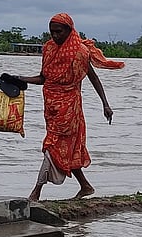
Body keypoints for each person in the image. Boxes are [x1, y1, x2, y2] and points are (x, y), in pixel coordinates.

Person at [10, 13, 124, 201]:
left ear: (70, 30)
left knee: (52, 146)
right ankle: (86, 186)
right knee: (66, 149)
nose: (55, 36)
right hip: (51, 107)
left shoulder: (80, 52)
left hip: (70, 108)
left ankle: (35, 193)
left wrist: (105, 104)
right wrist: (20, 78)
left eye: (59, 32)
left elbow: (93, 77)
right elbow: (44, 78)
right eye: (52, 32)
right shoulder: (48, 49)